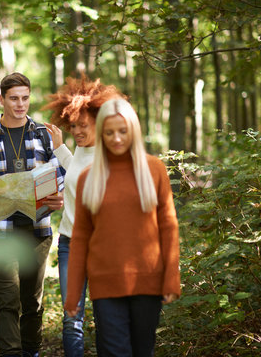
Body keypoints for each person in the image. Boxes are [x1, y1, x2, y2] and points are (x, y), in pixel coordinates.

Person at [0, 72, 65, 357]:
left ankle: (32, 351)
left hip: (37, 228)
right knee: (7, 300)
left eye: (25, 98)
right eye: (14, 98)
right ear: (2, 99)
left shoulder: (44, 134)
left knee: (32, 301)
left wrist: (58, 196)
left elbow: (60, 176)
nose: (20, 104)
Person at [64, 98, 181, 357]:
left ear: (133, 131)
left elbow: (169, 226)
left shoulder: (154, 169)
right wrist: (73, 294)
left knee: (142, 351)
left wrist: (171, 278)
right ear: (101, 134)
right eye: (109, 132)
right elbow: (80, 238)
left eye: (123, 131)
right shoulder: (88, 178)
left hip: (148, 281)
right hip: (105, 284)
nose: (116, 138)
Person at [41, 75, 123, 356]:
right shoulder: (79, 151)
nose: (77, 131)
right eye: (73, 126)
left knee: (105, 319)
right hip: (69, 245)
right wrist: (59, 146)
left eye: (83, 126)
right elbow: (75, 169)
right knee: (71, 319)